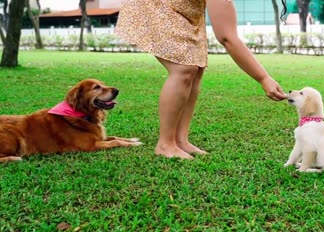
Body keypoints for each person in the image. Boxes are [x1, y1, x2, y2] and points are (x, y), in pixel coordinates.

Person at [115, 0, 287, 159]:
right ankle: (165, 144)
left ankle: (180, 140)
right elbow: (227, 38)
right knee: (183, 68)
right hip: (156, 6)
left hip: (184, 11)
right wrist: (263, 78)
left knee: (195, 67)